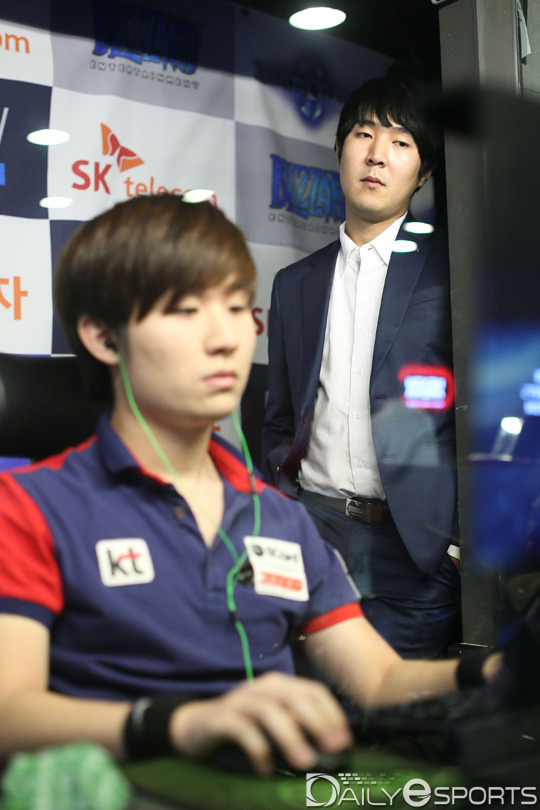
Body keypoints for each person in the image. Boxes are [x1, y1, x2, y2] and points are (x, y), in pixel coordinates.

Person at [0, 195, 491, 777]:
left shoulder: (277, 516)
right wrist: (181, 724)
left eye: (236, 308)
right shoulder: (30, 507)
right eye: (186, 310)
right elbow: (10, 713)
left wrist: (490, 673)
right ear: (104, 337)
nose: (226, 338)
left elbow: (380, 678)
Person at [262, 72, 460, 659]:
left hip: (416, 544)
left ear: (423, 172)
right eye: (364, 135)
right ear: (340, 149)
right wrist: (285, 510)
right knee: (314, 702)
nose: (377, 155)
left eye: (401, 142)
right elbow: (280, 416)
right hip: (316, 531)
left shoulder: (450, 269)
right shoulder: (294, 283)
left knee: (398, 705)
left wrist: (456, 541)